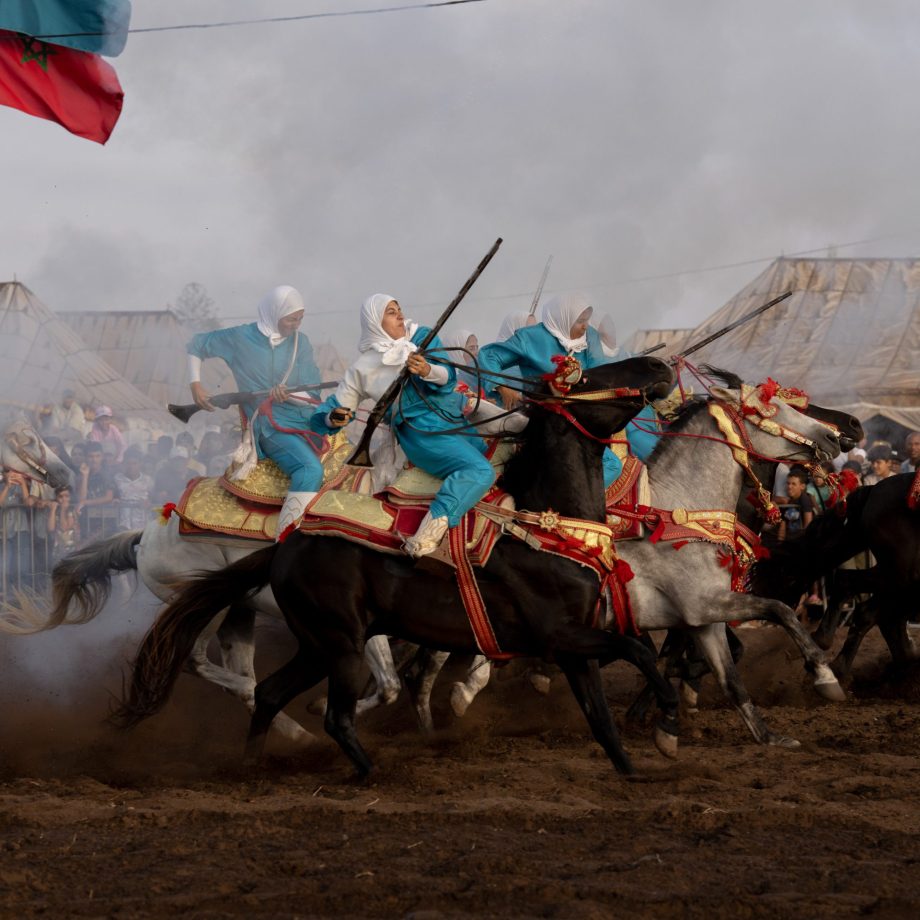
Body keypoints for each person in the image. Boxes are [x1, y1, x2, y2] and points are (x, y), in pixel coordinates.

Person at [310, 294, 495, 558]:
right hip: (420, 432)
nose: (399, 315)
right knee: (479, 471)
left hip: (454, 417)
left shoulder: (422, 337)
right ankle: (426, 536)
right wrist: (333, 417)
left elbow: (449, 375)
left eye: (399, 309)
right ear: (375, 321)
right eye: (390, 312)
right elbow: (336, 407)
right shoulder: (362, 369)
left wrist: (428, 370)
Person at [187, 285, 322, 536]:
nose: (296, 325)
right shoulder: (239, 337)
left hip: (305, 421)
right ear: (274, 313)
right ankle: (287, 541)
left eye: (300, 319)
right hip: (268, 426)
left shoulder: (300, 343)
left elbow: (313, 394)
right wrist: (195, 384)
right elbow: (196, 344)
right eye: (291, 318)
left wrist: (290, 395)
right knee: (310, 470)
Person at [478, 292, 651, 486]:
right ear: (564, 317)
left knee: (613, 464)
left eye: (587, 320)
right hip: (543, 416)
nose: (585, 326)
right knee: (610, 464)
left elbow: (601, 371)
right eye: (580, 321)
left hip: (580, 417)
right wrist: (501, 386)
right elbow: (489, 356)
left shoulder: (589, 337)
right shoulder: (530, 337)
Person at [76, 442, 116, 540]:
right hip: (86, 520)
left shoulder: (107, 473)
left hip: (105, 521)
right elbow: (81, 498)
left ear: (102, 457)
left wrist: (86, 502)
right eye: (91, 456)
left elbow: (108, 497)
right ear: (86, 457)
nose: (94, 460)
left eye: (97, 456)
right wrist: (85, 476)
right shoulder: (81, 474)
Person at [114, 447, 155, 530]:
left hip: (143, 524)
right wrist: (115, 500)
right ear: (124, 463)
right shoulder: (117, 479)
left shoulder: (148, 480)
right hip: (124, 523)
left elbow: (153, 498)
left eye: (134, 463)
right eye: (128, 463)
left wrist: (149, 502)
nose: (131, 466)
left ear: (140, 464)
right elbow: (114, 496)